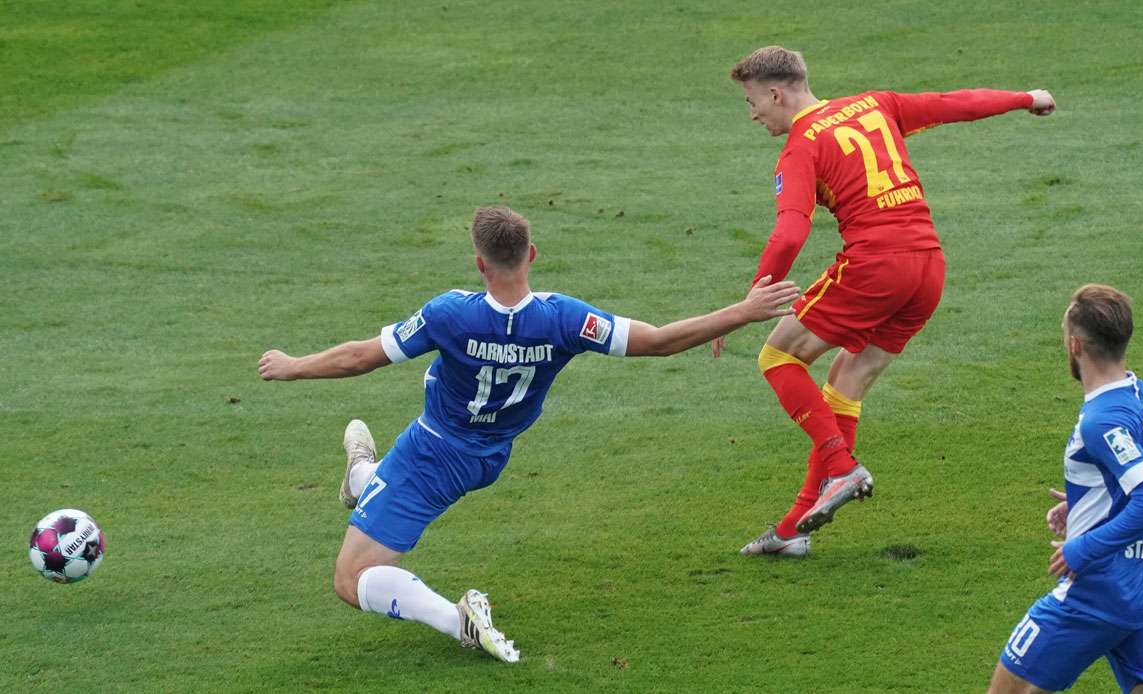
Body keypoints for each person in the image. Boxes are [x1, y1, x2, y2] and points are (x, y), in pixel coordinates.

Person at [257, 206, 800, 662]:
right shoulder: (566, 320)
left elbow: (359, 359)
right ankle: (360, 476)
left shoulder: (449, 314)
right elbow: (658, 341)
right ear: (532, 254)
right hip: (491, 455)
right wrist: (744, 312)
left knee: (354, 581)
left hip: (432, 454)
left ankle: (459, 620)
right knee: (378, 492)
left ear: (478, 264)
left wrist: (293, 364)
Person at [722, 46, 1058, 557]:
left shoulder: (799, 148)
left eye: (751, 102)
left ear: (775, 92)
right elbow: (953, 103)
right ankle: (792, 531)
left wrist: (748, 301)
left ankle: (841, 467)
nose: (751, 114)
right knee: (846, 379)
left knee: (778, 356)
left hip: (876, 265)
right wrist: (1025, 98)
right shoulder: (874, 104)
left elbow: (790, 233)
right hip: (928, 267)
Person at [988, 284, 1143, 694]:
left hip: (1097, 593)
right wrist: (1091, 504)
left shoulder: (1100, 421)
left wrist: (1085, 546)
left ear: (1076, 344)